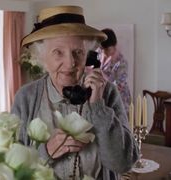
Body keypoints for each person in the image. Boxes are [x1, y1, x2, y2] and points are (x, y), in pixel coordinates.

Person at [12, 5, 138, 180]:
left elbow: (123, 163)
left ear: (87, 54)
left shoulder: (107, 92)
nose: (71, 63)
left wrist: (98, 107)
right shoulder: (25, 98)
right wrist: (45, 152)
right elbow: (11, 168)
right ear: (43, 57)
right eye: (58, 53)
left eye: (77, 52)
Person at [99, 28, 131, 116]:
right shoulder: (100, 54)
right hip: (104, 98)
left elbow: (119, 85)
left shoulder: (121, 62)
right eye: (102, 49)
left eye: (107, 50)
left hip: (120, 99)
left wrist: (102, 74)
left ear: (114, 45)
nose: (104, 53)